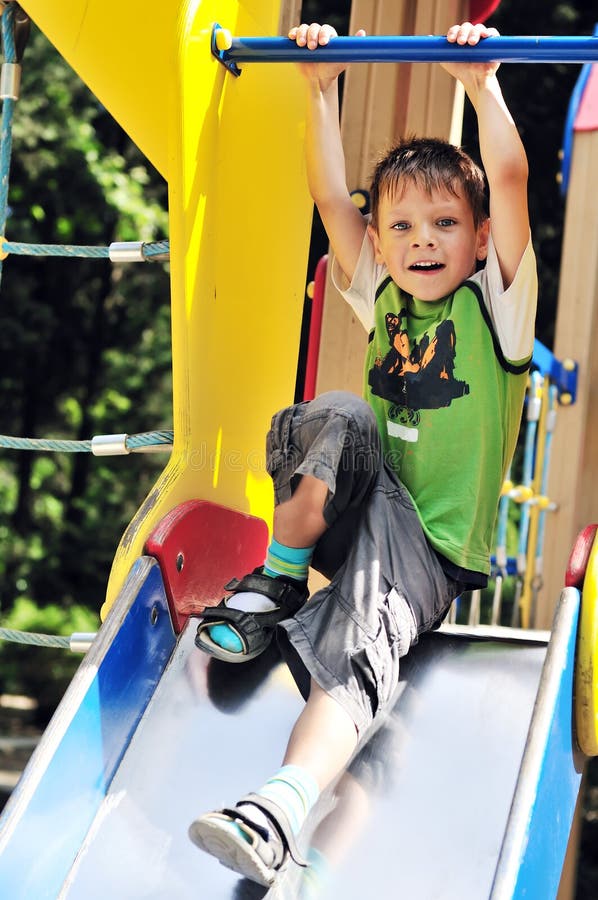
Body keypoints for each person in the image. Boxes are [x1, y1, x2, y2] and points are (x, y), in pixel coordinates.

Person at [189, 19, 537, 891]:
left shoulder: (497, 313)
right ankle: (279, 573)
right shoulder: (378, 291)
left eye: (446, 224)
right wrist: (318, 90)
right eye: (405, 226)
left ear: (480, 239)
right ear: (379, 242)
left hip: (426, 548)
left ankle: (281, 804)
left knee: (358, 644)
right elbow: (331, 197)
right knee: (339, 411)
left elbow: (509, 174)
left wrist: (483, 85)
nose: (424, 241)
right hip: (360, 510)